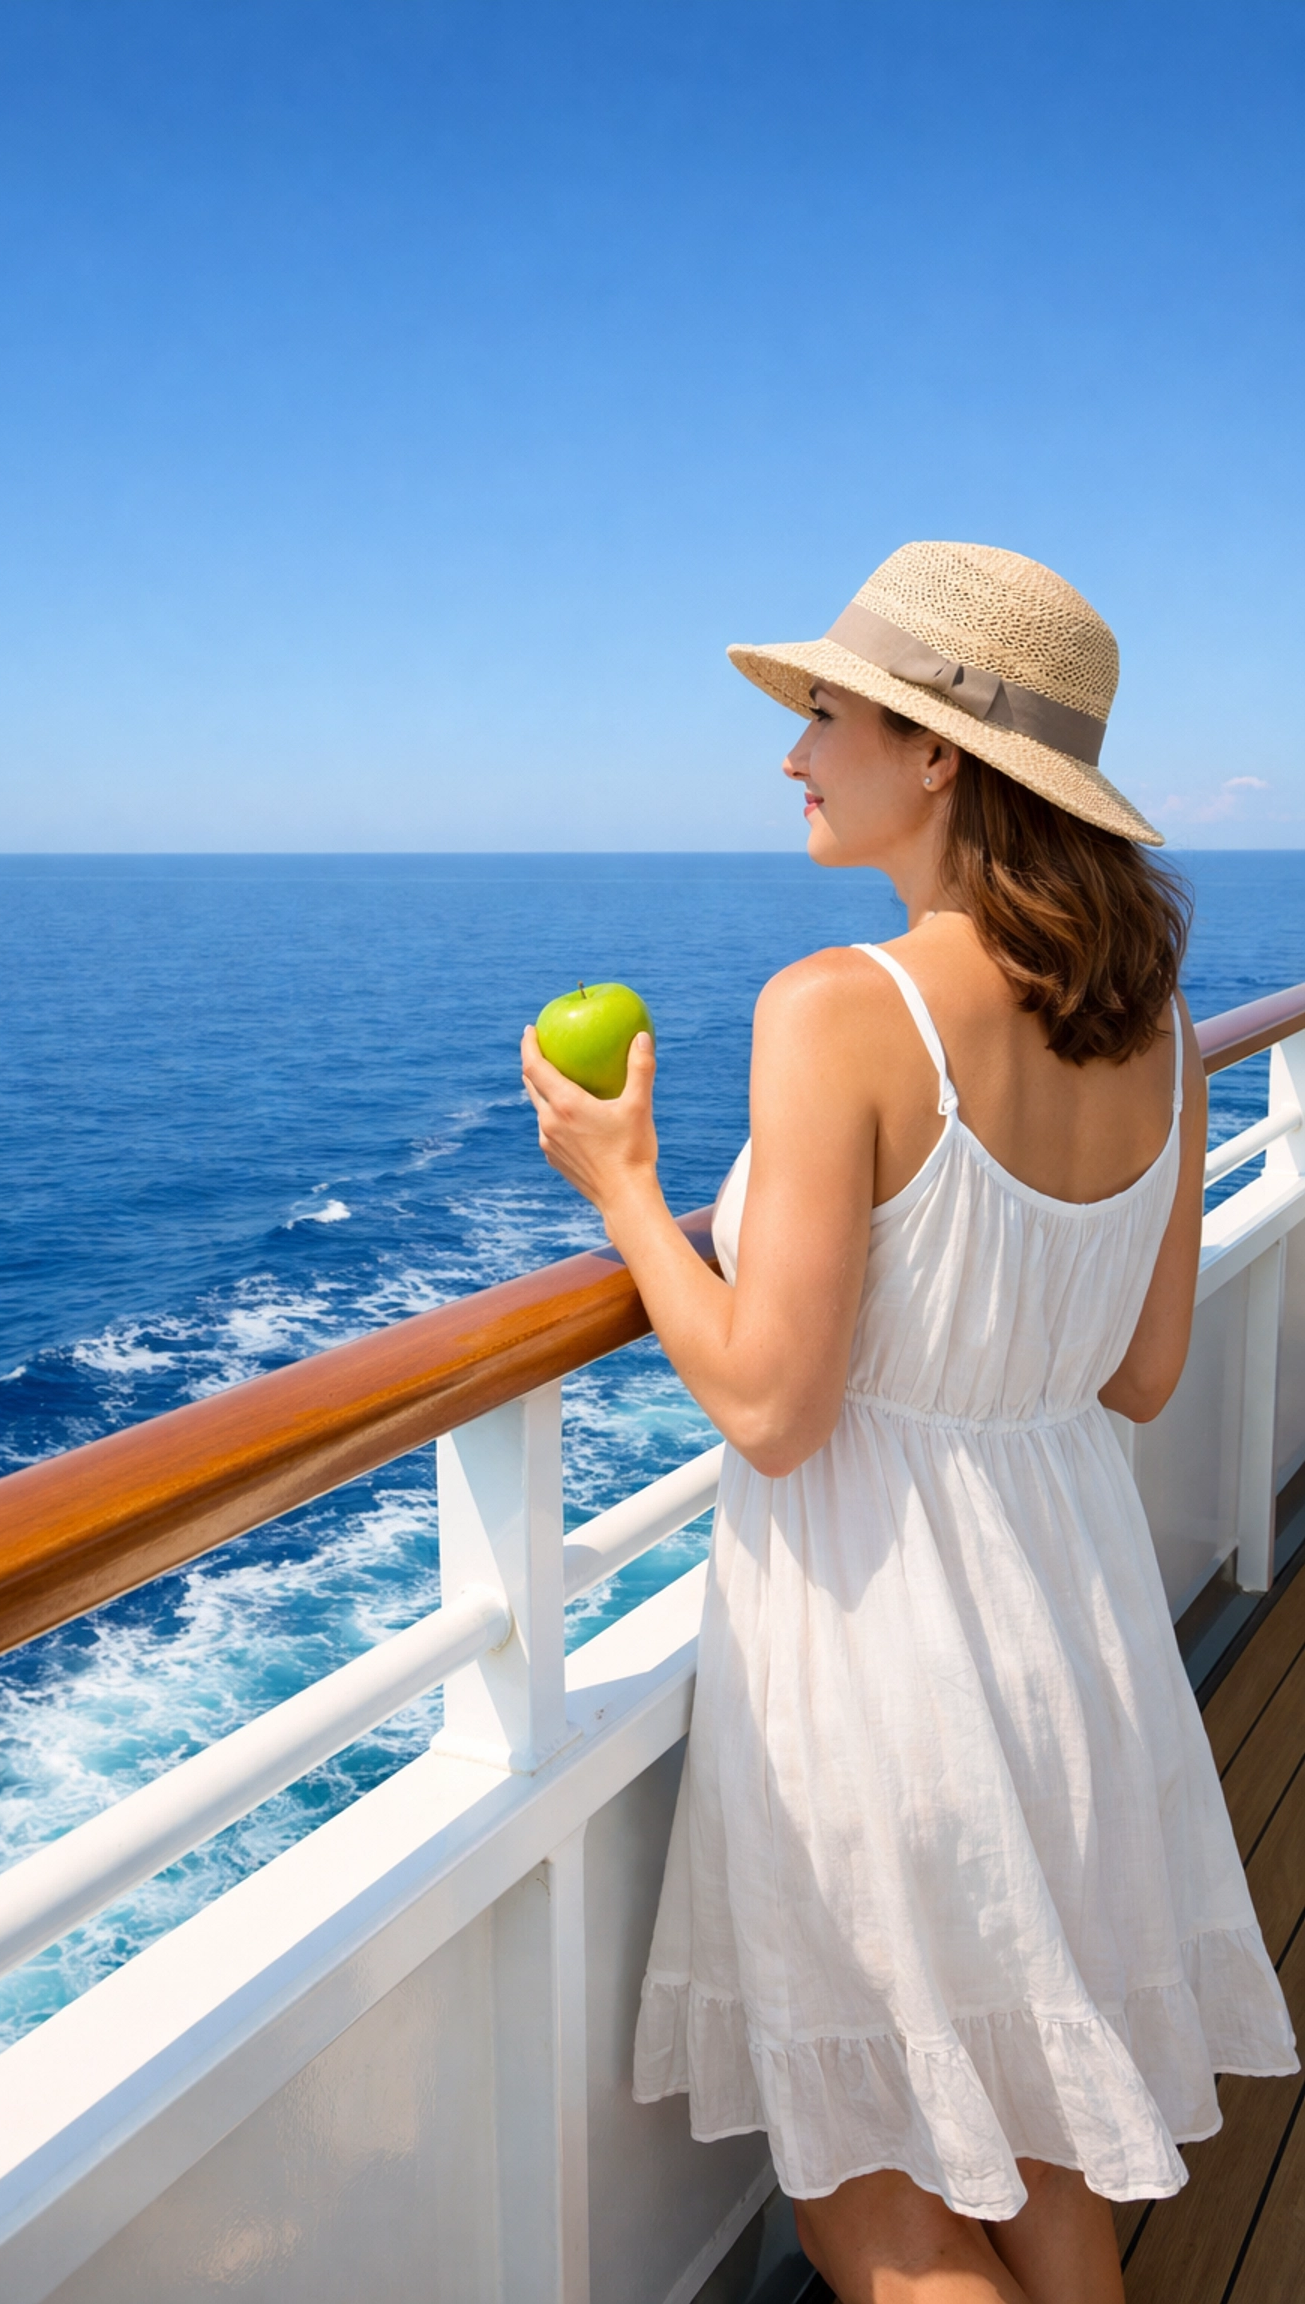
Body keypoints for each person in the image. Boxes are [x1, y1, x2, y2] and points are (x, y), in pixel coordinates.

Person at [521, 543, 1297, 2304]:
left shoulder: (837, 1009)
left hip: (881, 1658)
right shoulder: (1160, 1028)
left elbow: (776, 1412)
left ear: (937, 751)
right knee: (1037, 2153)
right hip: (1069, 1622)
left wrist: (628, 1192)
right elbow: (1147, 1371)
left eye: (821, 714)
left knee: (875, 2206)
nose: (792, 753)